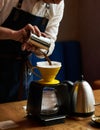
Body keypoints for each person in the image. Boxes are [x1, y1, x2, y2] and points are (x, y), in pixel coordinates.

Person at [0, 0, 64, 103]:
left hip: (23, 75)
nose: (58, 2)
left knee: (19, 114)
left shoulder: (58, 5)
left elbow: (50, 44)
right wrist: (13, 34)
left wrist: (39, 45)